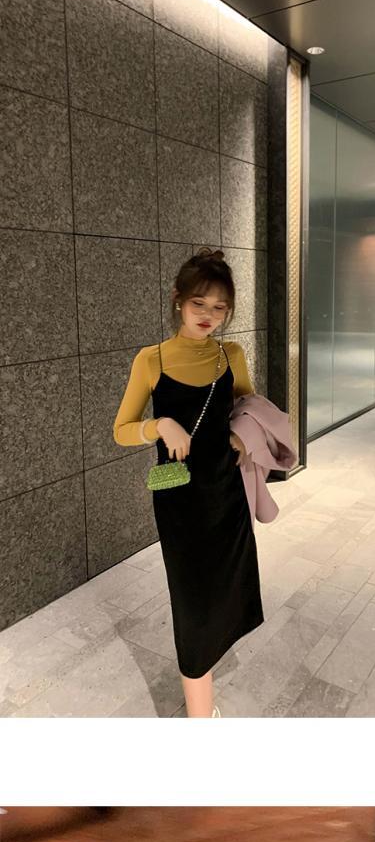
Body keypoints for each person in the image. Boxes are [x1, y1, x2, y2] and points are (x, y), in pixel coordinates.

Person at [113, 251, 261, 718]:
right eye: (199, 303)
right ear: (178, 300)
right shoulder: (151, 359)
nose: (208, 316)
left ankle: (207, 672)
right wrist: (158, 426)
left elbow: (247, 407)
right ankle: (201, 716)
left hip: (227, 495)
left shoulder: (230, 355)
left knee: (226, 588)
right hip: (179, 500)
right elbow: (121, 430)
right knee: (191, 599)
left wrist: (241, 436)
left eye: (219, 308)